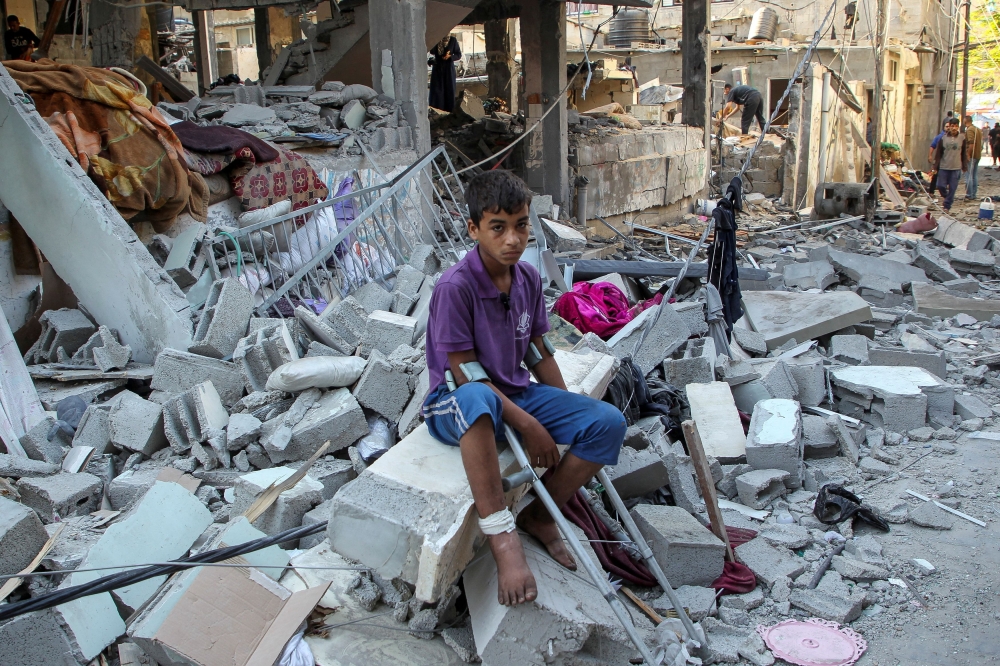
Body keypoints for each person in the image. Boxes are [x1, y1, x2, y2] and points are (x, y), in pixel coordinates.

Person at [421, 170, 626, 606]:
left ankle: (539, 512)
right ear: (474, 228)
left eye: (521, 225)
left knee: (607, 422)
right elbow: (463, 373)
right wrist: (530, 424)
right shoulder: (454, 288)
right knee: (477, 396)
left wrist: (566, 411)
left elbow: (538, 351)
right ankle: (503, 538)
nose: (512, 239)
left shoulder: (529, 279)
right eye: (498, 227)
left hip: (514, 394)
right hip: (454, 402)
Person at [931, 118, 968, 211]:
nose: (954, 128)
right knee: (940, 186)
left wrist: (964, 166)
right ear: (949, 127)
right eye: (952, 126)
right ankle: (948, 197)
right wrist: (935, 167)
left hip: (956, 167)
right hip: (944, 166)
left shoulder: (962, 138)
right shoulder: (943, 138)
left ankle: (947, 205)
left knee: (953, 187)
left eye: (956, 126)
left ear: (958, 127)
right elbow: (938, 153)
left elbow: (963, 153)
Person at [428, 34, 461, 113]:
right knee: (437, 90)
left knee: (449, 89)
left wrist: (450, 57)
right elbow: (432, 51)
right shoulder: (436, 39)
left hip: (448, 68)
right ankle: (436, 111)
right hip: (438, 68)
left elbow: (458, 54)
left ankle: (449, 111)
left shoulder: (452, 40)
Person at [964, 115, 983, 199]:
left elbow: (971, 143)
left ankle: (969, 194)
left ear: (966, 120)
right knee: (974, 175)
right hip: (977, 155)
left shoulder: (970, 130)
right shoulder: (978, 129)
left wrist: (968, 154)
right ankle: (974, 194)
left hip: (972, 155)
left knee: (968, 175)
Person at [927, 127, 945, 194]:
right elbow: (932, 146)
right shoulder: (939, 137)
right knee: (935, 175)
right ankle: (931, 191)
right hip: (939, 160)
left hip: (949, 162)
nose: (948, 128)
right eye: (947, 126)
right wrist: (930, 155)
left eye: (949, 126)